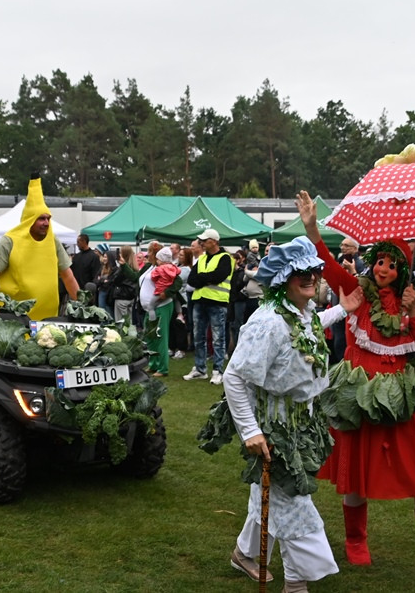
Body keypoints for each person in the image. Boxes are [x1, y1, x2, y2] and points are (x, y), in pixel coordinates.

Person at [296, 191, 415, 577]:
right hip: (359, 397)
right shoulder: (358, 294)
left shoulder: (408, 301)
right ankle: (355, 539)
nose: (381, 269)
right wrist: (312, 229)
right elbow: (327, 266)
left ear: (401, 271)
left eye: (391, 265)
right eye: (378, 260)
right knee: (356, 472)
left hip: (399, 400)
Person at [221, 237, 362, 591]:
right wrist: (251, 431)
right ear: (283, 278)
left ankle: (243, 553)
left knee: (271, 496)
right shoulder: (267, 322)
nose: (311, 278)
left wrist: (343, 309)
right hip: (276, 429)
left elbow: (309, 326)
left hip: (303, 423)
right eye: (301, 273)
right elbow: (234, 377)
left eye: (314, 272)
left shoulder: (301, 312)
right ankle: (298, 583)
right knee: (295, 501)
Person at [0, 174, 79, 321]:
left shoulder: (53, 241)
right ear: (29, 220)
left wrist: (83, 306)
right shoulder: (10, 240)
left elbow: (68, 276)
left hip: (48, 322)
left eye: (48, 218)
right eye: (41, 218)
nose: (46, 223)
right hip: (14, 321)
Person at [183, 228, 234, 385]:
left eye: (205, 241)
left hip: (217, 302)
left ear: (214, 241)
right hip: (200, 301)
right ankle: (200, 369)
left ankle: (218, 371)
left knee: (218, 338)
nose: (202, 243)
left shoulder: (226, 258)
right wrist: (207, 279)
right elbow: (192, 279)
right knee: (199, 337)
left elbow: (219, 276)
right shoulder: (203, 259)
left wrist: (202, 279)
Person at [139, 247, 181, 377]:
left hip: (161, 305)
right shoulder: (150, 267)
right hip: (150, 307)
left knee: (160, 336)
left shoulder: (168, 268)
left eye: (152, 253)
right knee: (150, 336)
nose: (150, 256)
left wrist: (166, 293)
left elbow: (177, 282)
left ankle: (163, 368)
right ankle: (153, 363)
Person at [110, 245, 140, 323]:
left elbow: (115, 280)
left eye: (120, 253)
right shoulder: (135, 267)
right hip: (132, 298)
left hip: (121, 297)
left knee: (120, 323)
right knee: (129, 323)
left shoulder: (123, 268)